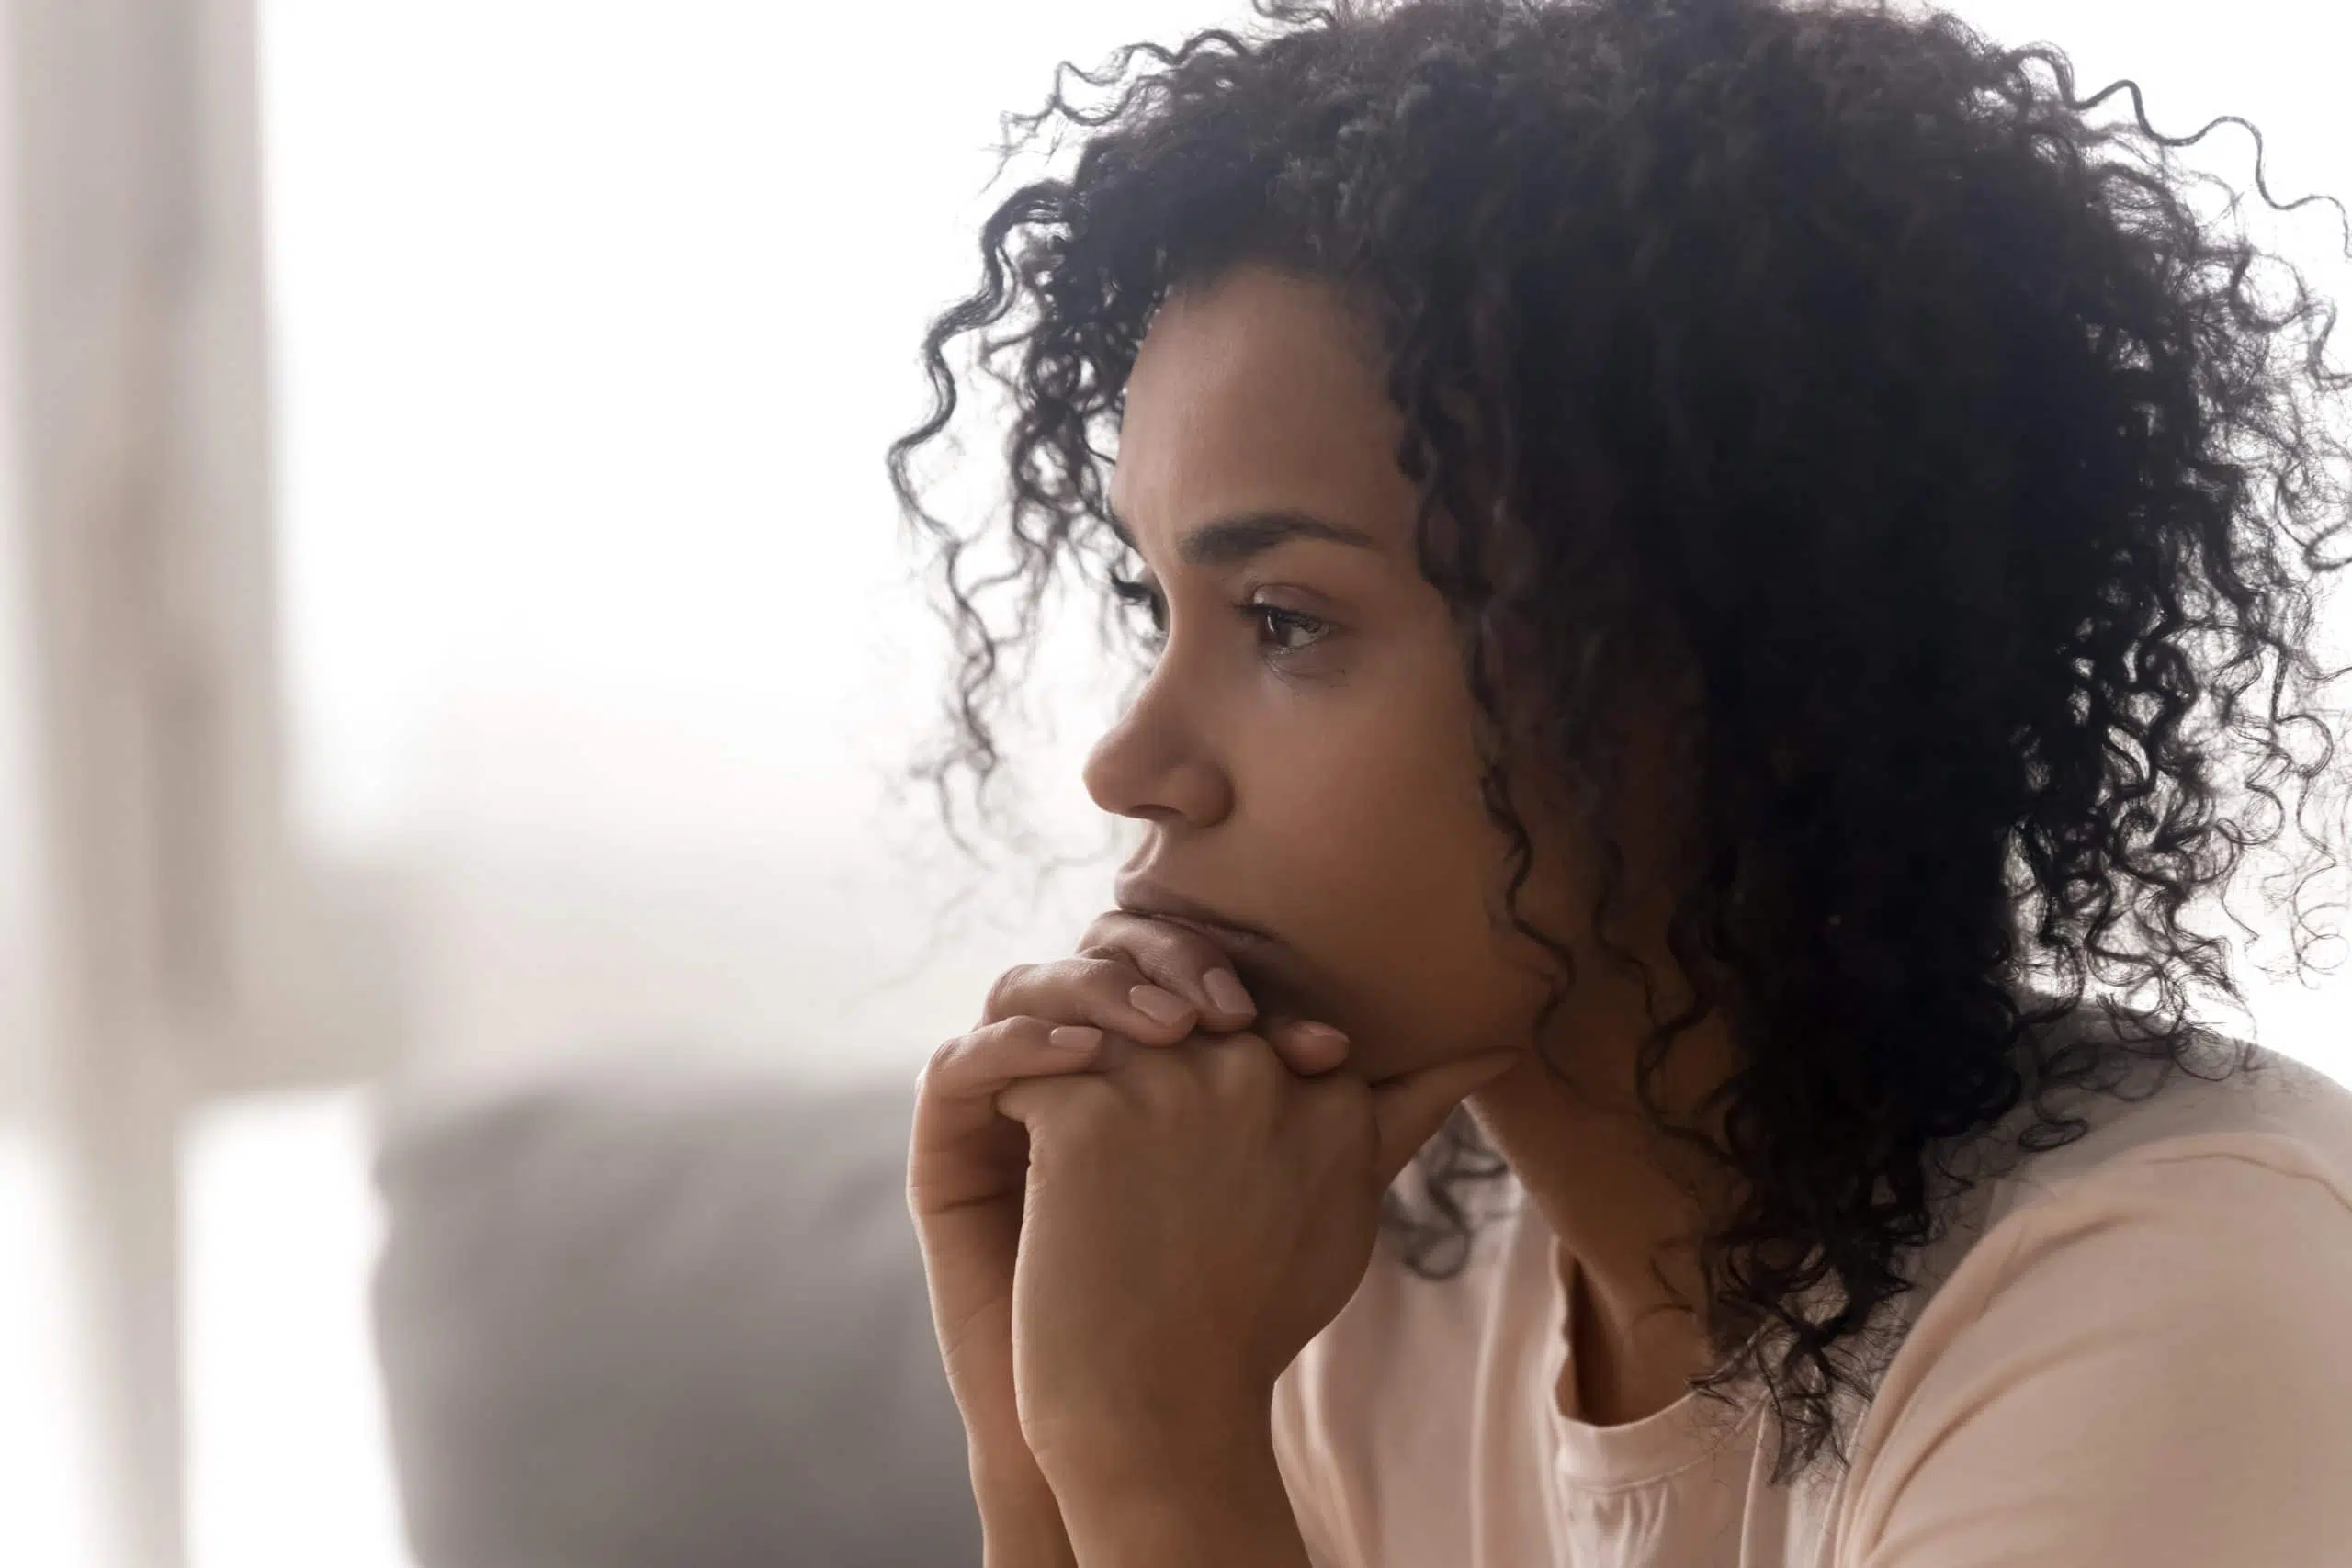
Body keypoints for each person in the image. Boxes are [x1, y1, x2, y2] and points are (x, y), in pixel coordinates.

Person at [892, 1, 2352, 1563]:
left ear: (1747, 663)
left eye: (1285, 620)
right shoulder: (1338, 1273)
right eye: (1156, 609)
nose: (1131, 764)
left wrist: (1154, 1452)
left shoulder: (2178, 1294)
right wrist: (1036, 1436)